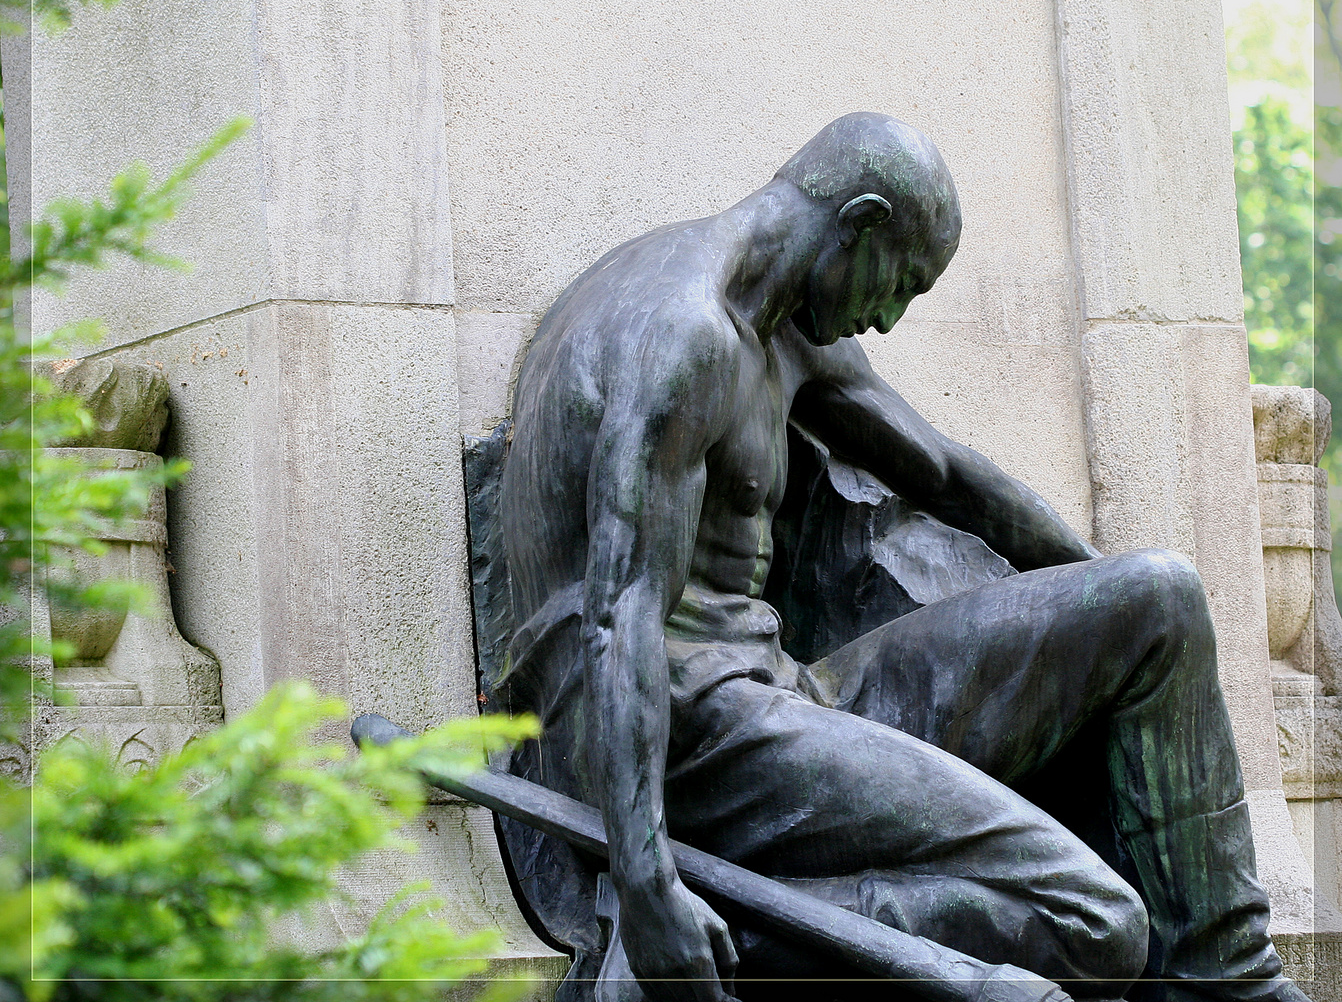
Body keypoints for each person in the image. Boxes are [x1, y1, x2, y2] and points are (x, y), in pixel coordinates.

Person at [494, 112, 1309, 1002]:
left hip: (776, 695)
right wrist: (648, 884)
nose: (888, 319)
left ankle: (1228, 977)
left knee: (1157, 601)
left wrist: (1090, 598)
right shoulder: (682, 336)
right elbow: (623, 622)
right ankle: (710, 920)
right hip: (682, 738)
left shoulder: (783, 327)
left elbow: (950, 474)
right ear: (862, 223)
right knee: (1096, 926)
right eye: (902, 285)